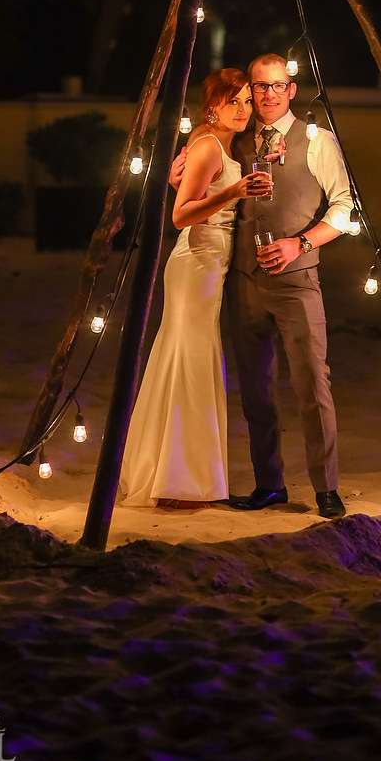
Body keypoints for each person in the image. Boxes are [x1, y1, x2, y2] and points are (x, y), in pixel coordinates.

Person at [118, 69, 269, 509]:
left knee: (186, 358)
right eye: (233, 102)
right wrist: (236, 191)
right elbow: (181, 216)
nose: (243, 110)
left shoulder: (210, 140)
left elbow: (187, 189)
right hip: (197, 264)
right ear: (212, 107)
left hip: (209, 264)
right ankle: (177, 482)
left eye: (246, 101)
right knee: (190, 360)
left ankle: (171, 474)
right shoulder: (207, 145)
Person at [226, 53, 352, 519]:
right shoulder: (238, 141)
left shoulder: (318, 140)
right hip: (242, 282)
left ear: (292, 89)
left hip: (298, 282)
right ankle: (269, 485)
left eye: (279, 86)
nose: (270, 94)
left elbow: (345, 209)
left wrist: (300, 243)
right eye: (261, 87)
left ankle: (326, 488)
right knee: (256, 391)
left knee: (312, 387)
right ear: (252, 90)